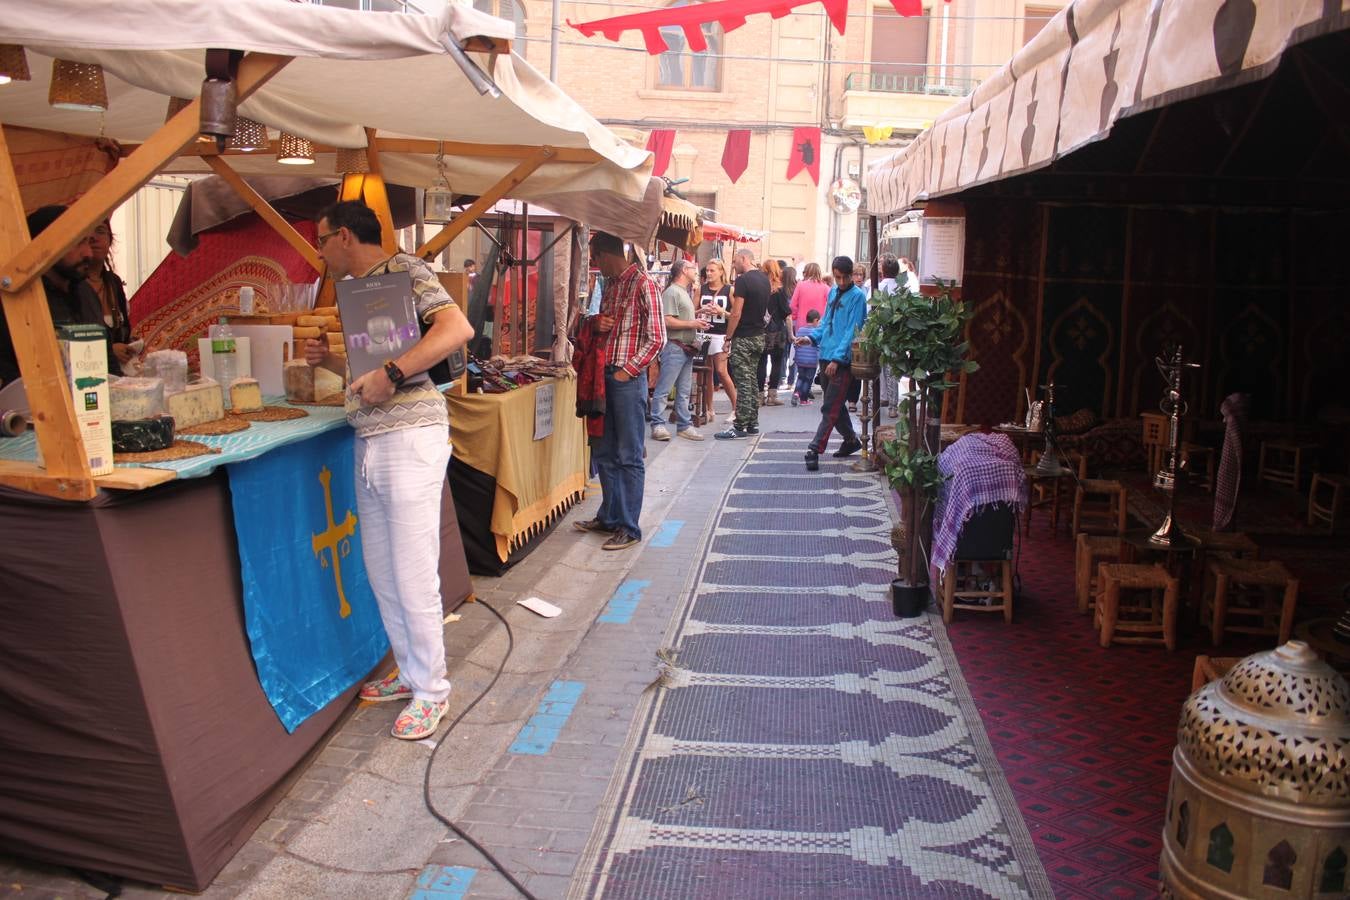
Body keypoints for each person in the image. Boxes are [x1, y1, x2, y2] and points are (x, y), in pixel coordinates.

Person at [304, 200, 475, 741]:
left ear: (346, 237)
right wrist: (334, 364)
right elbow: (378, 371)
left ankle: (432, 691)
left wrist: (393, 370)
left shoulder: (406, 270)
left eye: (323, 238)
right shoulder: (358, 292)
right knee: (382, 569)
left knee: (412, 570)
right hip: (373, 437)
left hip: (409, 436)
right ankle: (410, 670)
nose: (320, 249)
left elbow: (456, 328)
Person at [573, 231, 665, 550]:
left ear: (605, 254)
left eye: (595, 259)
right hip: (604, 377)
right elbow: (606, 326)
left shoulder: (644, 284)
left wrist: (629, 370)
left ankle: (628, 526)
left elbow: (657, 337)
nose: (595, 266)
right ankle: (610, 516)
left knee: (628, 454)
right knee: (604, 451)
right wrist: (595, 323)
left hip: (625, 378)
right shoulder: (610, 284)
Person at [0, 205, 104, 386]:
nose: (88, 253)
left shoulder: (86, 294)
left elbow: (105, 360)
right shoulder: (14, 303)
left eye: (88, 242)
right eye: (78, 242)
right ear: (44, 246)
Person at [796, 256, 869, 471]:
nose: (842, 281)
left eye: (845, 277)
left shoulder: (858, 296)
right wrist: (811, 338)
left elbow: (852, 330)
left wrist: (838, 359)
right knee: (835, 404)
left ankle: (815, 448)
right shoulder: (834, 291)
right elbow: (826, 321)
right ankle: (850, 440)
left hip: (841, 359)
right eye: (838, 277)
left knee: (830, 406)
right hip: (826, 353)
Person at [647, 258, 708, 442]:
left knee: (683, 390)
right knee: (664, 388)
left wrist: (698, 314)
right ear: (683, 270)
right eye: (692, 268)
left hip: (684, 348)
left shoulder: (681, 292)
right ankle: (658, 424)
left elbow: (677, 317)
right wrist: (693, 322)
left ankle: (684, 425)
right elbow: (667, 320)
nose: (696, 271)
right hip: (675, 347)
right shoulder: (672, 292)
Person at [715, 248, 770, 440]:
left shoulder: (743, 281)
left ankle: (739, 426)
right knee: (753, 380)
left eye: (736, 260)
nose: (733, 264)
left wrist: (728, 338)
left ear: (744, 258)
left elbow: (736, 312)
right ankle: (752, 423)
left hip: (744, 337)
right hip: (758, 336)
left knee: (743, 382)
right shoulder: (765, 279)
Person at [86, 220, 137, 375]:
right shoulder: (73, 284)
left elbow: (123, 333)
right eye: (86, 233)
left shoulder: (113, 282)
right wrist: (108, 351)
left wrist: (131, 345)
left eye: (100, 231)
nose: (93, 238)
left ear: (110, 240)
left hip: (119, 376)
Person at [696, 259, 735, 423]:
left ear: (721, 272)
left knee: (721, 371)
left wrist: (721, 312)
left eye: (713, 270)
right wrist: (701, 310)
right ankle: (709, 409)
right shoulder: (701, 289)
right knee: (707, 372)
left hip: (721, 335)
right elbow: (692, 311)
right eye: (708, 271)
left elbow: (735, 315)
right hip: (704, 334)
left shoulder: (729, 290)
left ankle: (736, 407)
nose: (709, 273)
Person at [760, 262, 793, 405]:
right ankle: (772, 396)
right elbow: (787, 314)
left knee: (760, 363)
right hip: (777, 331)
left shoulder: (759, 288)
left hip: (760, 330)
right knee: (777, 362)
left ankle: (759, 396)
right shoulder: (780, 291)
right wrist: (791, 334)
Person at [790, 307, 821, 406]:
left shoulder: (800, 330)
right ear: (816, 320)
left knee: (800, 377)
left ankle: (796, 393)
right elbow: (819, 346)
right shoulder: (816, 333)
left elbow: (796, 343)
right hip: (811, 361)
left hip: (800, 360)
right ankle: (803, 399)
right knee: (808, 380)